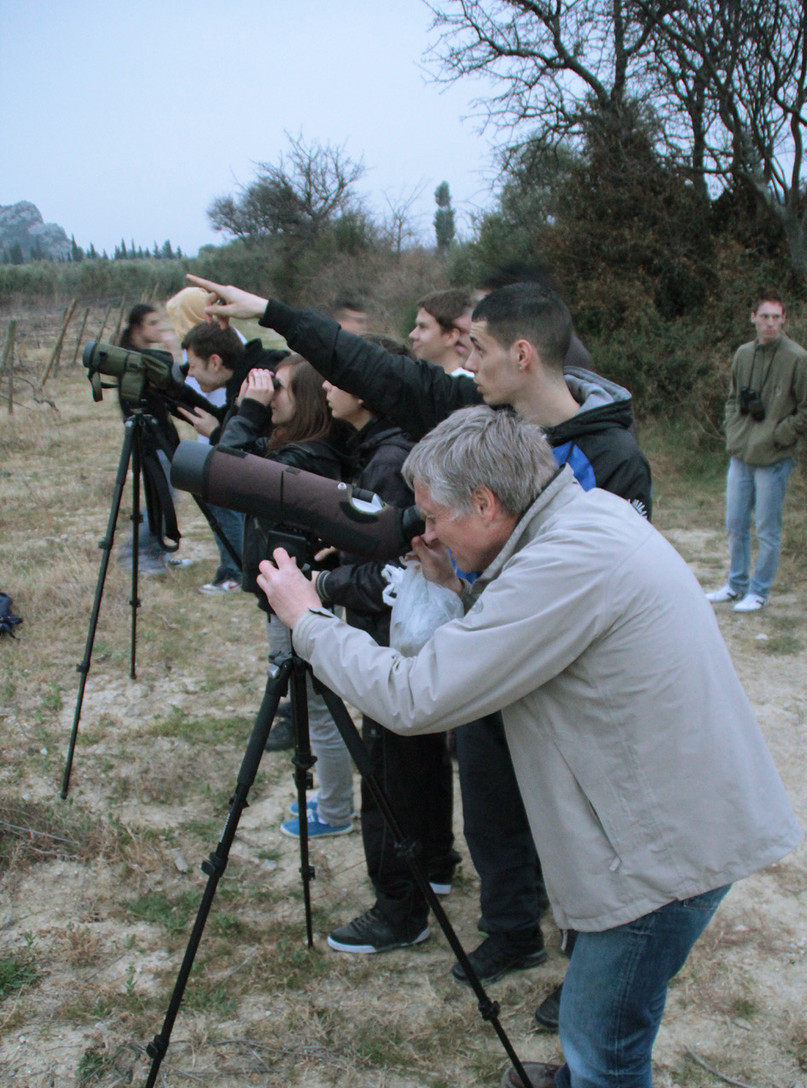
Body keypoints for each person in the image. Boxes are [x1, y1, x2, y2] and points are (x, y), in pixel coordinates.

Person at [257, 406, 800, 1088]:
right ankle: (582, 1078)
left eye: (434, 516)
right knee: (602, 992)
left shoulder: (563, 562)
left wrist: (307, 622)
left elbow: (416, 696)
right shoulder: (584, 517)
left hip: (665, 846)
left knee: (606, 1020)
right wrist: (454, 580)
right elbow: (528, 608)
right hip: (677, 812)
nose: (423, 531)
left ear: (485, 504)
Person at [184, 272, 651, 1001]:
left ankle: (588, 964)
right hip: (487, 631)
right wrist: (273, 316)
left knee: (573, 820)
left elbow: (604, 587)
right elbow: (374, 370)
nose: (465, 360)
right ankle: (511, 928)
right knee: (491, 792)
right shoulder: (480, 411)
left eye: (479, 347)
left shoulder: (610, 455)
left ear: (522, 354)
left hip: (560, 667)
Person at [305, 335, 458, 952]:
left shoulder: (391, 458)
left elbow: (393, 572)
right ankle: (436, 864)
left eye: (337, 376)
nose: (325, 386)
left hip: (392, 639)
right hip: (404, 637)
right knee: (417, 759)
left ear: (366, 391)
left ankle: (399, 906)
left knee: (392, 769)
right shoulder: (385, 448)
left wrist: (320, 583)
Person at [216, 355, 355, 829]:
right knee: (314, 707)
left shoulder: (304, 459)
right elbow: (237, 458)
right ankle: (332, 801)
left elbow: (223, 476)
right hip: (290, 594)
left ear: (309, 402)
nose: (270, 394)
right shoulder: (298, 451)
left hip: (300, 599)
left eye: (281, 388)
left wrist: (249, 412)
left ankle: (336, 810)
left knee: (320, 709)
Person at [706, 290, 807, 612]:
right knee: (735, 523)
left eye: (776, 317)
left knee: (767, 528)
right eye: (764, 316)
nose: (770, 323)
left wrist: (780, 434)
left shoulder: (798, 359)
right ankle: (735, 584)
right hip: (741, 454)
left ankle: (759, 590)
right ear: (753, 317)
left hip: (773, 458)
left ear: (784, 320)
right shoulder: (743, 354)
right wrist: (733, 428)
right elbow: (731, 398)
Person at [166, 287, 246, 594]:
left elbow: (198, 392)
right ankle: (233, 567)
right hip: (214, 439)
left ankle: (236, 572)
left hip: (222, 442)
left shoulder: (213, 348)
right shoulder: (208, 343)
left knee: (227, 511)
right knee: (224, 510)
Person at [117, 304, 193, 577]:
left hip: (161, 435)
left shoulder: (141, 356)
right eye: (152, 323)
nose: (158, 329)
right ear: (138, 327)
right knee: (162, 498)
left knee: (164, 497)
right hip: (151, 439)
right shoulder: (135, 360)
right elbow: (170, 382)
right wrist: (174, 350)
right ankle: (136, 552)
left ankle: (156, 553)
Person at [408, 289, 473, 373]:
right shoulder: (422, 382)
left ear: (450, 336)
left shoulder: (472, 384)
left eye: (423, 327)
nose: (412, 335)